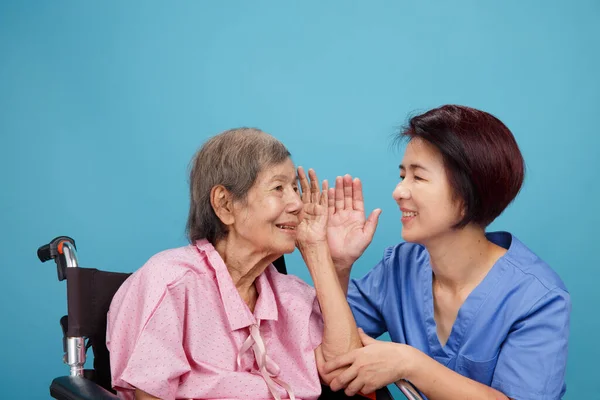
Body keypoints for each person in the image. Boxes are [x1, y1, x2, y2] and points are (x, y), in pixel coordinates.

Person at [320, 105, 571, 399]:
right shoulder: (400, 266)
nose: (398, 191)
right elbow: (326, 343)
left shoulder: (537, 298)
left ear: (467, 195)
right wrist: (338, 265)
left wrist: (410, 364)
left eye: (418, 177)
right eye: (402, 176)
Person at [106, 128, 361, 400]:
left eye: (295, 188)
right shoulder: (171, 283)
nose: (297, 203)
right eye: (278, 188)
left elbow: (344, 371)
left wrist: (316, 249)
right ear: (225, 204)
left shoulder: (291, 296)